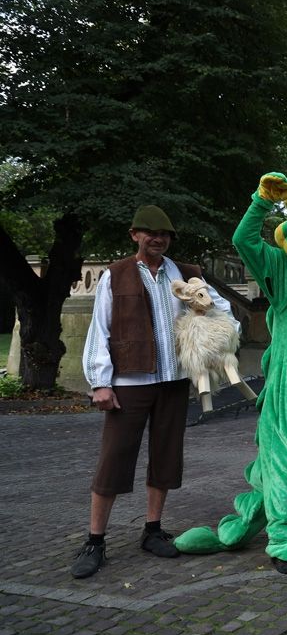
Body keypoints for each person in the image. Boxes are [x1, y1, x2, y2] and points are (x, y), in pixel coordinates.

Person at [72, 205, 238, 579]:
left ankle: (152, 530)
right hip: (129, 383)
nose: (157, 238)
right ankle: (95, 541)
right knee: (114, 459)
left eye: (164, 234)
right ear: (135, 235)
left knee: (166, 457)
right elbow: (100, 329)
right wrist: (100, 382)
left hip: (174, 381)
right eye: (150, 232)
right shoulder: (116, 275)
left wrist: (214, 328)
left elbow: (224, 313)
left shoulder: (188, 274)